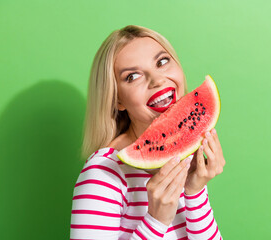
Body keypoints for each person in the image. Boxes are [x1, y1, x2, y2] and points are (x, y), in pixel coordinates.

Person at [70, 25, 226, 240]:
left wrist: (195, 192)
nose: (157, 80)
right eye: (133, 76)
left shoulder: (185, 156)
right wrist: (155, 220)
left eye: (162, 62)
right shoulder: (103, 174)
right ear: (117, 99)